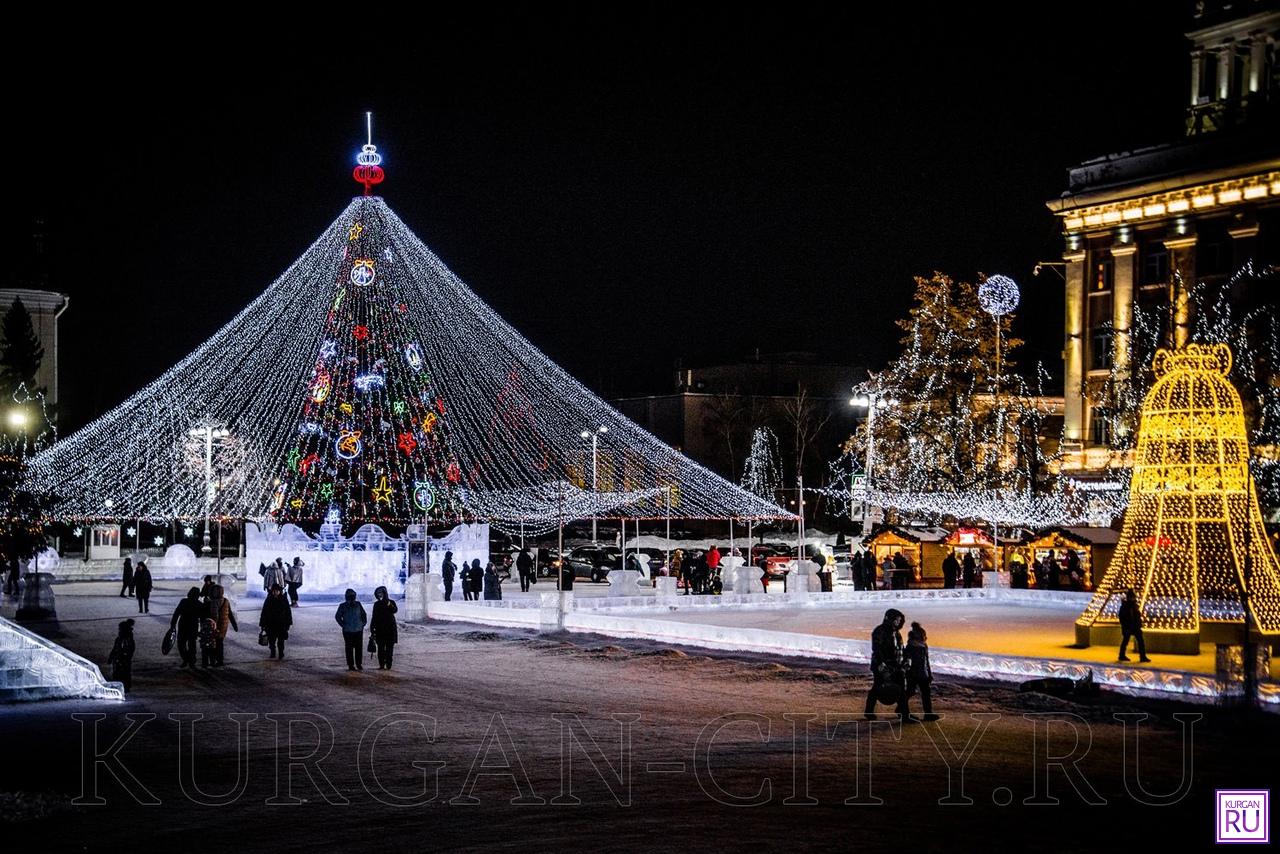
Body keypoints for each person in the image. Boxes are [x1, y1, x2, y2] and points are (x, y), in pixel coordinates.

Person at [865, 608, 909, 720]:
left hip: (895, 666)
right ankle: (869, 711)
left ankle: (904, 713)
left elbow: (899, 649)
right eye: (897, 620)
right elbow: (877, 649)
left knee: (901, 688)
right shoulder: (880, 631)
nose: (899, 622)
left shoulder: (896, 633)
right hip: (883, 666)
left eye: (900, 620)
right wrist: (882, 665)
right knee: (877, 687)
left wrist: (903, 662)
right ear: (890, 619)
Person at [903, 621, 936, 720]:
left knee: (926, 693)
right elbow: (907, 662)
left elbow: (927, 661)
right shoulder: (910, 647)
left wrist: (929, 674)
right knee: (910, 692)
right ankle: (901, 709)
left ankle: (928, 714)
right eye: (923, 635)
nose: (925, 637)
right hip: (912, 674)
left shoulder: (924, 646)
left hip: (923, 673)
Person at [170, 587, 204, 668]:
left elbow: (176, 613)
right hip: (193, 626)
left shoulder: (184, 601)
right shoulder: (199, 604)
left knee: (181, 644)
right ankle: (191, 660)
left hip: (183, 625)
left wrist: (173, 624)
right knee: (191, 645)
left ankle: (186, 659)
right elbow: (202, 618)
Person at [335, 588, 368, 671]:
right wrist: (343, 625)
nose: (352, 597)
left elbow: (364, 615)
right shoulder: (343, 606)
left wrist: (362, 624)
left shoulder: (358, 604)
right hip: (348, 631)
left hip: (358, 630)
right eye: (350, 596)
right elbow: (338, 617)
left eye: (353, 596)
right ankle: (350, 665)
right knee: (349, 648)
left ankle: (358, 664)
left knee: (358, 648)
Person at [205, 584, 238, 666]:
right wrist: (234, 625)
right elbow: (230, 613)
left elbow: (214, 615)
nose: (214, 593)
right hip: (224, 626)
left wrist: (213, 627)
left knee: (215, 644)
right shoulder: (226, 600)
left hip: (217, 626)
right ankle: (220, 660)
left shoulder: (214, 602)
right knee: (220, 643)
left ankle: (217, 660)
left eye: (215, 591)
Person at [259, 583, 293, 659]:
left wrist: (288, 623)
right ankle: (273, 652)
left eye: (277, 591)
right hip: (271, 625)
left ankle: (281, 653)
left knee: (281, 641)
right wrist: (262, 624)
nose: (275, 592)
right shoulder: (269, 599)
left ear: (279, 591)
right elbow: (264, 612)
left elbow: (288, 612)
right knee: (271, 641)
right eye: (274, 591)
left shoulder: (284, 599)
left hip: (281, 625)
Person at [1118, 589, 1150, 662]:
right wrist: (1125, 626)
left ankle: (1142, 656)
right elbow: (1123, 617)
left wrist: (1139, 624)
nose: (1133, 598)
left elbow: (1137, 616)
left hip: (1135, 626)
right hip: (1129, 627)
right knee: (1127, 641)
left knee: (1139, 641)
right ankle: (1122, 655)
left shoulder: (1133, 605)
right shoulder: (1126, 606)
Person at [371, 586, 399, 670]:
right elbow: (374, 617)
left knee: (389, 649)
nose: (380, 595)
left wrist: (388, 603)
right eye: (378, 594)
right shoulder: (376, 604)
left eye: (381, 593)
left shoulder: (391, 602)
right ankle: (382, 664)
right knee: (381, 649)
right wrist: (372, 628)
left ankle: (389, 664)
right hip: (380, 630)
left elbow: (394, 610)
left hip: (390, 630)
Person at [107, 618, 136, 692]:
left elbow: (130, 649)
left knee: (123, 673)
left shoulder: (126, 639)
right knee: (120, 673)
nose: (119, 630)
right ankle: (122, 686)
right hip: (119, 660)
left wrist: (125, 656)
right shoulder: (120, 638)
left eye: (120, 629)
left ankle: (124, 687)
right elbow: (115, 648)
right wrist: (111, 657)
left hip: (123, 660)